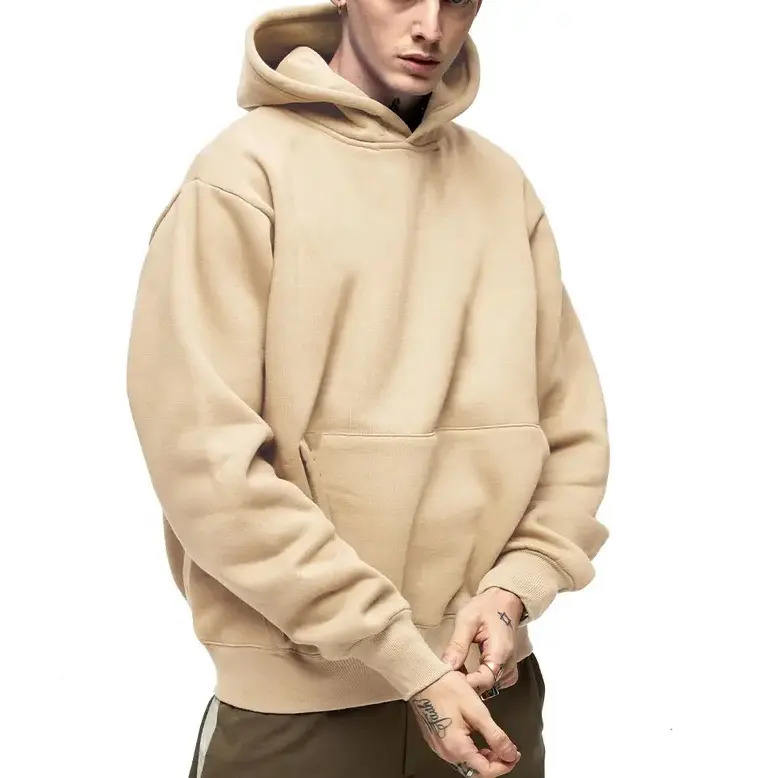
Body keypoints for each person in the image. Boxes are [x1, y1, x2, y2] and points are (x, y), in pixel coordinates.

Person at [125, 1, 611, 776]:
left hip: (492, 691)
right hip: (302, 715)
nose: (431, 26)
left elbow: (572, 434)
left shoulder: (501, 186)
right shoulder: (243, 176)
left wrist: (513, 590)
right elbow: (207, 466)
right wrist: (399, 652)